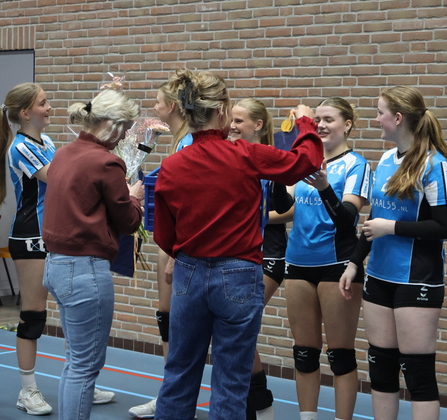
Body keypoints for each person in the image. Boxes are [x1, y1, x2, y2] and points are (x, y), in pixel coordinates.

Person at [152, 69, 323, 420]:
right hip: (238, 273)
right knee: (231, 380)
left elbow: (165, 237)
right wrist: (305, 123)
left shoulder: (172, 165)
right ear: (221, 112)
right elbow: (304, 163)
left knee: (179, 374)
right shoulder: (245, 154)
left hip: (188, 272)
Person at [340, 86, 447, 420]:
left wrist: (391, 228)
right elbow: (374, 218)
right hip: (379, 275)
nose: (376, 119)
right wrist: (354, 262)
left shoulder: (435, 164)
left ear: (399, 118)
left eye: (380, 113)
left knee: (418, 375)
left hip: (417, 279)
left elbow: (444, 226)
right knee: (381, 369)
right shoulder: (386, 160)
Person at [42, 89, 144, 419]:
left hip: (56, 265)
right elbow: (128, 221)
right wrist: (135, 197)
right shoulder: (106, 162)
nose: (125, 136)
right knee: (85, 367)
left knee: (75, 363)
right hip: (84, 271)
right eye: (124, 128)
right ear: (112, 125)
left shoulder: (63, 153)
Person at [281, 97, 370, 420]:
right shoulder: (305, 160)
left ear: (347, 125)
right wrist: (283, 157)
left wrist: (324, 187)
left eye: (328, 119)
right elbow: (281, 206)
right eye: (317, 119)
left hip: (337, 266)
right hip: (297, 264)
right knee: (304, 354)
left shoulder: (356, 164)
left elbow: (347, 221)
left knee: (340, 355)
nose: (320, 125)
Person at [128, 72, 194, 420]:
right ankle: (172, 393)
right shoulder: (180, 141)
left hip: (178, 245)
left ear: (172, 106)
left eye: (156, 102)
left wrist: (176, 253)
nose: (153, 108)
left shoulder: (187, 144)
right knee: (169, 319)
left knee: (174, 321)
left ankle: (174, 396)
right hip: (172, 240)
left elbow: (188, 205)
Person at [228, 98, 292, 420]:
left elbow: (291, 209)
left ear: (258, 125)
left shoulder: (274, 159)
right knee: (234, 330)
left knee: (237, 327)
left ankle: (261, 405)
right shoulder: (230, 157)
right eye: (231, 120)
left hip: (270, 255)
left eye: (239, 121)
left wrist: (256, 216)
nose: (232, 126)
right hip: (239, 253)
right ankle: (249, 404)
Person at [0, 83, 55, 416]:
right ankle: (28, 390)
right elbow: (58, 177)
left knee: (76, 312)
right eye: (43, 103)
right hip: (30, 237)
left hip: (58, 235)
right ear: (24, 113)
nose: (49, 108)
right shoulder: (20, 147)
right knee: (33, 315)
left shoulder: (47, 142)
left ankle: (80, 379)